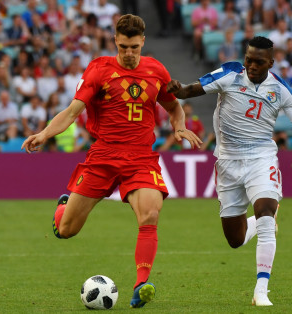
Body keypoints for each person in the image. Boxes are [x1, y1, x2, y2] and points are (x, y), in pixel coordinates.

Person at [21, 14, 202, 308]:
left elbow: (174, 108)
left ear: (143, 42)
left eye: (134, 47)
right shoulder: (98, 70)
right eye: (123, 47)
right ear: (115, 41)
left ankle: (141, 284)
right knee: (66, 231)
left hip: (141, 157)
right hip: (103, 155)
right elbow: (71, 112)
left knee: (150, 216)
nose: (129, 54)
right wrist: (44, 134)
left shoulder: (157, 71)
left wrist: (179, 126)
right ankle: (63, 207)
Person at [167, 36, 292, 306]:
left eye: (258, 62)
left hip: (261, 158)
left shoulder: (280, 90)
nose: (251, 66)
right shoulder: (230, 73)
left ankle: (261, 290)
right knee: (234, 240)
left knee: (266, 209)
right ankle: (258, 223)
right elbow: (189, 90)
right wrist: (178, 88)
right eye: (248, 59)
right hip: (228, 162)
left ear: (270, 62)